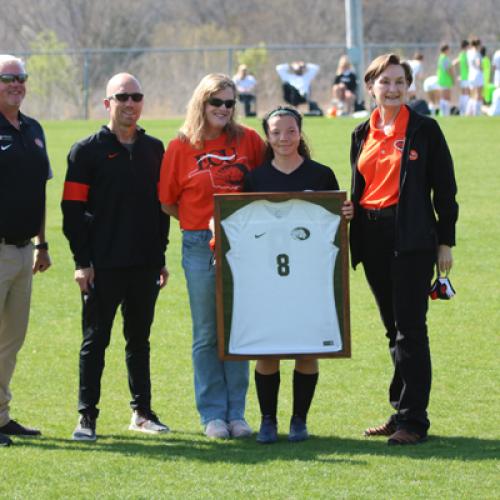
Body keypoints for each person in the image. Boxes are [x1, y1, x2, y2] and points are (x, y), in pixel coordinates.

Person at [349, 54, 458, 445]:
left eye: (399, 81)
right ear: (371, 87)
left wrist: (445, 241)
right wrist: (350, 207)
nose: (392, 88)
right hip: (371, 235)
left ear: (409, 86)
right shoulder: (362, 132)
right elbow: (362, 187)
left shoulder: (426, 130)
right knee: (392, 330)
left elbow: (445, 191)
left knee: (411, 330)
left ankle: (414, 421)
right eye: (385, 82)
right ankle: (399, 411)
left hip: (412, 237)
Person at [61, 73, 170, 442]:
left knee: (139, 340)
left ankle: (142, 412)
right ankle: (86, 416)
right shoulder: (85, 151)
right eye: (122, 97)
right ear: (107, 103)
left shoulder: (155, 149)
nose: (130, 103)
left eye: (136, 96)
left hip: (144, 263)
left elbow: (161, 209)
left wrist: (160, 257)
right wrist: (81, 261)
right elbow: (72, 211)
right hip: (102, 265)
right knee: (95, 341)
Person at [159, 73, 265, 439]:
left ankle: (237, 413)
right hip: (198, 242)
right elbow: (168, 201)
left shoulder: (248, 140)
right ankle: (212, 415)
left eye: (228, 103)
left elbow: (273, 176)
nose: (222, 109)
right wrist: (199, 224)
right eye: (215, 102)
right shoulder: (181, 145)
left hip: (245, 241)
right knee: (207, 332)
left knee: (238, 329)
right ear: (201, 102)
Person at [243, 106, 353, 444]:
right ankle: (267, 421)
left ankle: (299, 421)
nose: (284, 138)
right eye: (276, 132)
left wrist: (345, 214)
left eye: (290, 131)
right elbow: (244, 226)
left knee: (307, 350)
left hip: (310, 277)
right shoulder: (256, 178)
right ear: (268, 136)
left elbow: (334, 225)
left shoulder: (321, 175)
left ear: (300, 133)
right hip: (268, 278)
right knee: (268, 350)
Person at [0, 55, 52, 447]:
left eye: (21, 78)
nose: (16, 84)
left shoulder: (33, 129)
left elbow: (39, 191)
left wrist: (42, 243)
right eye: (7, 79)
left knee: (11, 340)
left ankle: (0, 416)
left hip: (23, 251)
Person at [466, 38, 483, 116]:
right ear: (478, 44)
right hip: (477, 74)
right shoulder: (477, 53)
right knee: (478, 94)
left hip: (470, 75)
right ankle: (477, 112)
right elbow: (478, 64)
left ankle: (469, 112)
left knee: (472, 95)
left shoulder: (468, 52)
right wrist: (481, 67)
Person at [453, 40, 470, 115]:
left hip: (463, 77)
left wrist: (457, 74)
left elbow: (454, 63)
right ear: (466, 46)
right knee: (466, 93)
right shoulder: (467, 54)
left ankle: (462, 110)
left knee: (463, 93)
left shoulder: (461, 54)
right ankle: (465, 110)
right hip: (467, 77)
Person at [436, 45, 454, 116]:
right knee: (446, 97)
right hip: (445, 80)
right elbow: (448, 69)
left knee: (443, 97)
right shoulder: (445, 58)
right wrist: (453, 77)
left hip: (441, 80)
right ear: (446, 50)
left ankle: (443, 113)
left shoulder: (440, 57)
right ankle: (445, 113)